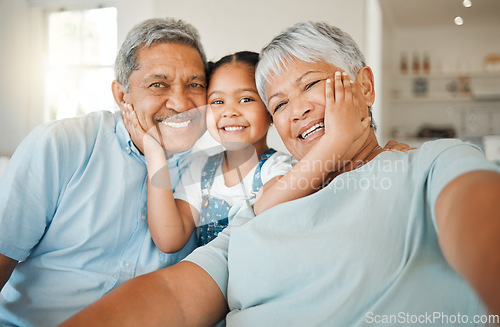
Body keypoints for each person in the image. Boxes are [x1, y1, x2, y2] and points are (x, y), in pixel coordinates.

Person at [62, 20, 500, 327]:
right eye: (280, 102)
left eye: (311, 85)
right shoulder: (261, 208)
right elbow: (175, 296)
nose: (298, 110)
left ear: (364, 87)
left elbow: (478, 215)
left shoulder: (429, 164)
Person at [0, 17, 209, 326]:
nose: (181, 102)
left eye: (195, 84)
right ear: (122, 96)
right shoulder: (60, 144)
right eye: (158, 84)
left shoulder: (213, 167)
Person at [122, 51, 296, 252]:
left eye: (246, 99)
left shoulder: (279, 168)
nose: (229, 112)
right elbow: (169, 240)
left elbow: (268, 214)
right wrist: (154, 156)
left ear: (270, 107)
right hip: (208, 280)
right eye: (217, 102)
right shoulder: (201, 169)